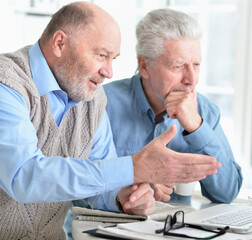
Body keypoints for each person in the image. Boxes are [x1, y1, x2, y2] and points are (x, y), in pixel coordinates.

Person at [0, 2, 221, 239]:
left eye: (113, 58)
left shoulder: (92, 99)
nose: (109, 72)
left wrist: (124, 197)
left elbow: (102, 179)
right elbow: (24, 175)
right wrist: (134, 168)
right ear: (60, 43)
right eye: (101, 55)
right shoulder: (7, 83)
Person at [104, 8, 243, 204]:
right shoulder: (103, 104)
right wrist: (135, 186)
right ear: (144, 66)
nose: (191, 80)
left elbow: (227, 193)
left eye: (196, 64)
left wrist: (196, 126)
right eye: (178, 66)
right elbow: (76, 188)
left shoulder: (205, 111)